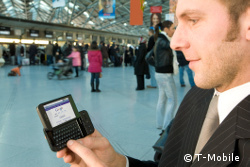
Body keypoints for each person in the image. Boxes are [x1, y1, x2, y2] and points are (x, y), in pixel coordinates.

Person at [57, 0, 250, 166]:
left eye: (193, 20)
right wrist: (118, 164)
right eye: (177, 25)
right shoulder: (198, 95)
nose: (175, 43)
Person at [154, 21, 178, 130]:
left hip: (159, 73)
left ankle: (160, 124)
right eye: (172, 28)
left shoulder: (159, 39)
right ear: (166, 29)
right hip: (165, 75)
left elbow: (149, 56)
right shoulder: (163, 40)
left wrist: (157, 66)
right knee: (172, 100)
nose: (174, 30)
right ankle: (167, 126)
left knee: (162, 98)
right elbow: (173, 46)